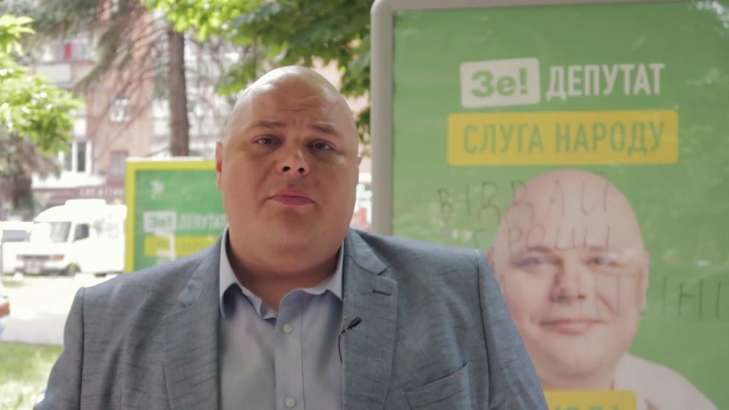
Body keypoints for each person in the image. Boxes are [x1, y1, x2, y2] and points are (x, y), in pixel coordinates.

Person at [36, 66, 546, 410]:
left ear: (356, 173)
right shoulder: (107, 322)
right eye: (267, 140)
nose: (294, 162)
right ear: (220, 166)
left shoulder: (459, 293)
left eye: (321, 146)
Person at [489, 169, 716, 410]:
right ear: (490, 279)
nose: (571, 288)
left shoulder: (681, 402)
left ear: (642, 281)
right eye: (536, 261)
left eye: (601, 261)